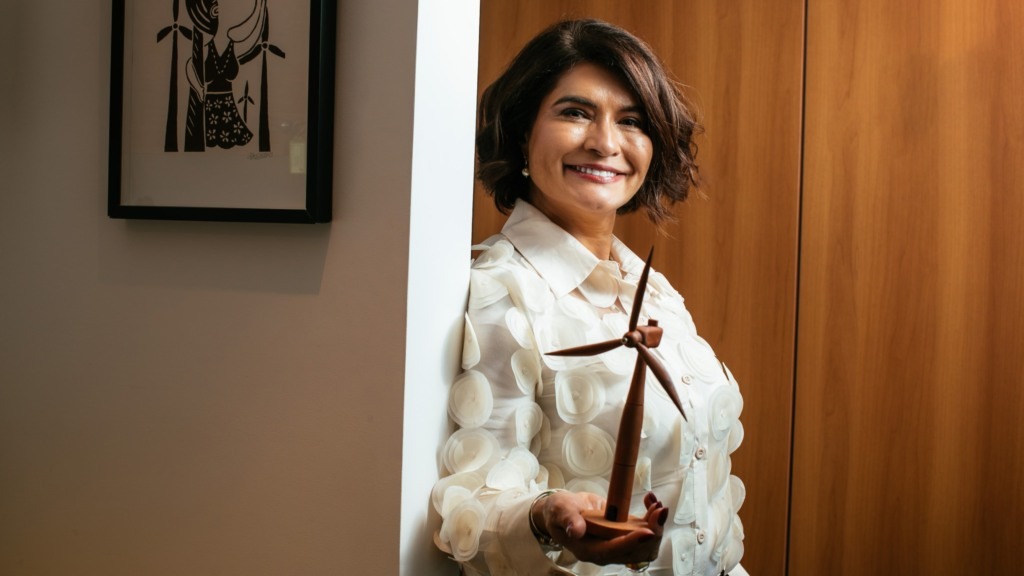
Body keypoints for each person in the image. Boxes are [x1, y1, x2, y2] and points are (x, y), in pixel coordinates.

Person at [433, 19, 747, 576]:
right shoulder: (502, 290)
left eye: (632, 121)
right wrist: (545, 517)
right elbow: (475, 501)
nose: (605, 142)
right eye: (575, 112)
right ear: (522, 132)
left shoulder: (653, 289)